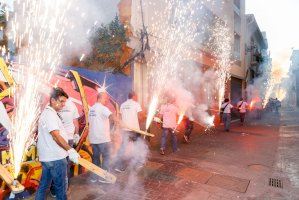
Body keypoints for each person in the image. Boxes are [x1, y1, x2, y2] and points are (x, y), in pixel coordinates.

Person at [35, 87, 80, 200]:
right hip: (56, 158)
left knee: (44, 186)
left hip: (49, 157)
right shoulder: (50, 115)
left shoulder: (49, 113)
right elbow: (56, 136)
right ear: (53, 100)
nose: (64, 104)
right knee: (61, 188)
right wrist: (70, 149)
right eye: (62, 101)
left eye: (64, 101)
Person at [50, 97, 80, 197]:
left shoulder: (51, 105)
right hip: (67, 139)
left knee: (56, 163)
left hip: (56, 139)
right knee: (65, 165)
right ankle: (63, 189)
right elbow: (76, 124)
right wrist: (76, 134)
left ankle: (54, 190)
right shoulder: (72, 104)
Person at [88, 92, 117, 183]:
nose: (106, 101)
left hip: (93, 138)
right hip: (103, 139)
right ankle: (103, 178)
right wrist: (119, 121)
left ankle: (94, 177)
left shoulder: (91, 109)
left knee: (95, 158)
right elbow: (111, 116)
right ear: (100, 98)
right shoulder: (103, 108)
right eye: (105, 99)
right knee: (106, 158)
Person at [115, 92, 143, 172]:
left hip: (125, 130)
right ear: (134, 96)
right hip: (134, 130)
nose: (137, 98)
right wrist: (140, 120)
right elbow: (140, 117)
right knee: (137, 146)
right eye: (136, 96)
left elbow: (120, 117)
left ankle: (120, 167)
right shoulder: (136, 104)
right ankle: (136, 165)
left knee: (123, 147)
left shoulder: (123, 105)